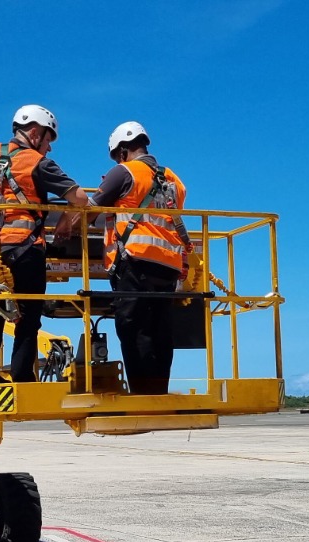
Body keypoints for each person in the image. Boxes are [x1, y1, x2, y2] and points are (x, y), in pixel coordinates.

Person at [0, 104, 91, 384]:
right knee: (28, 313)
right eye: (48, 140)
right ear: (35, 133)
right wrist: (66, 222)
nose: (49, 148)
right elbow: (81, 199)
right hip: (24, 247)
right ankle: (22, 376)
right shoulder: (38, 163)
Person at [90, 121, 189, 395]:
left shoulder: (123, 172)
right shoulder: (174, 179)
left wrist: (63, 227)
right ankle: (159, 392)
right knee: (161, 330)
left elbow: (90, 210)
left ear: (122, 150)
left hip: (135, 259)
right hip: (168, 264)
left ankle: (143, 395)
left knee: (134, 327)